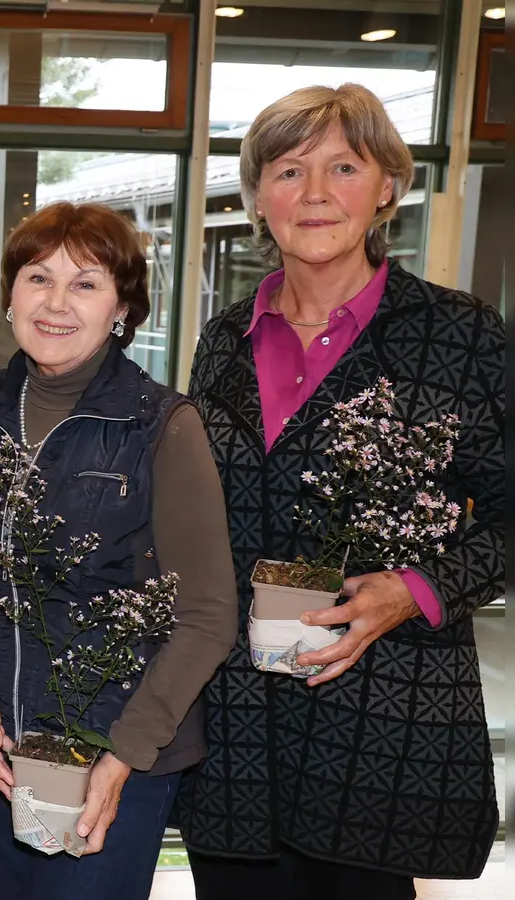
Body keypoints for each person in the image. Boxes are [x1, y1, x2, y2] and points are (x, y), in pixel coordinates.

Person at [173, 83, 504, 898]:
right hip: (234, 734)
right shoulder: (222, 341)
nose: (314, 194)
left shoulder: (461, 336)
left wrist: (417, 589)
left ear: (388, 185)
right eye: (287, 171)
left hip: (380, 729)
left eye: (343, 167)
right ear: (257, 197)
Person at [0, 201, 238, 899]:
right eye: (38, 278)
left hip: (114, 757)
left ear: (122, 307)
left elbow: (207, 615)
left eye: (84, 283)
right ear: (10, 297)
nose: (56, 303)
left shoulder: (164, 426)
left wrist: (123, 757)